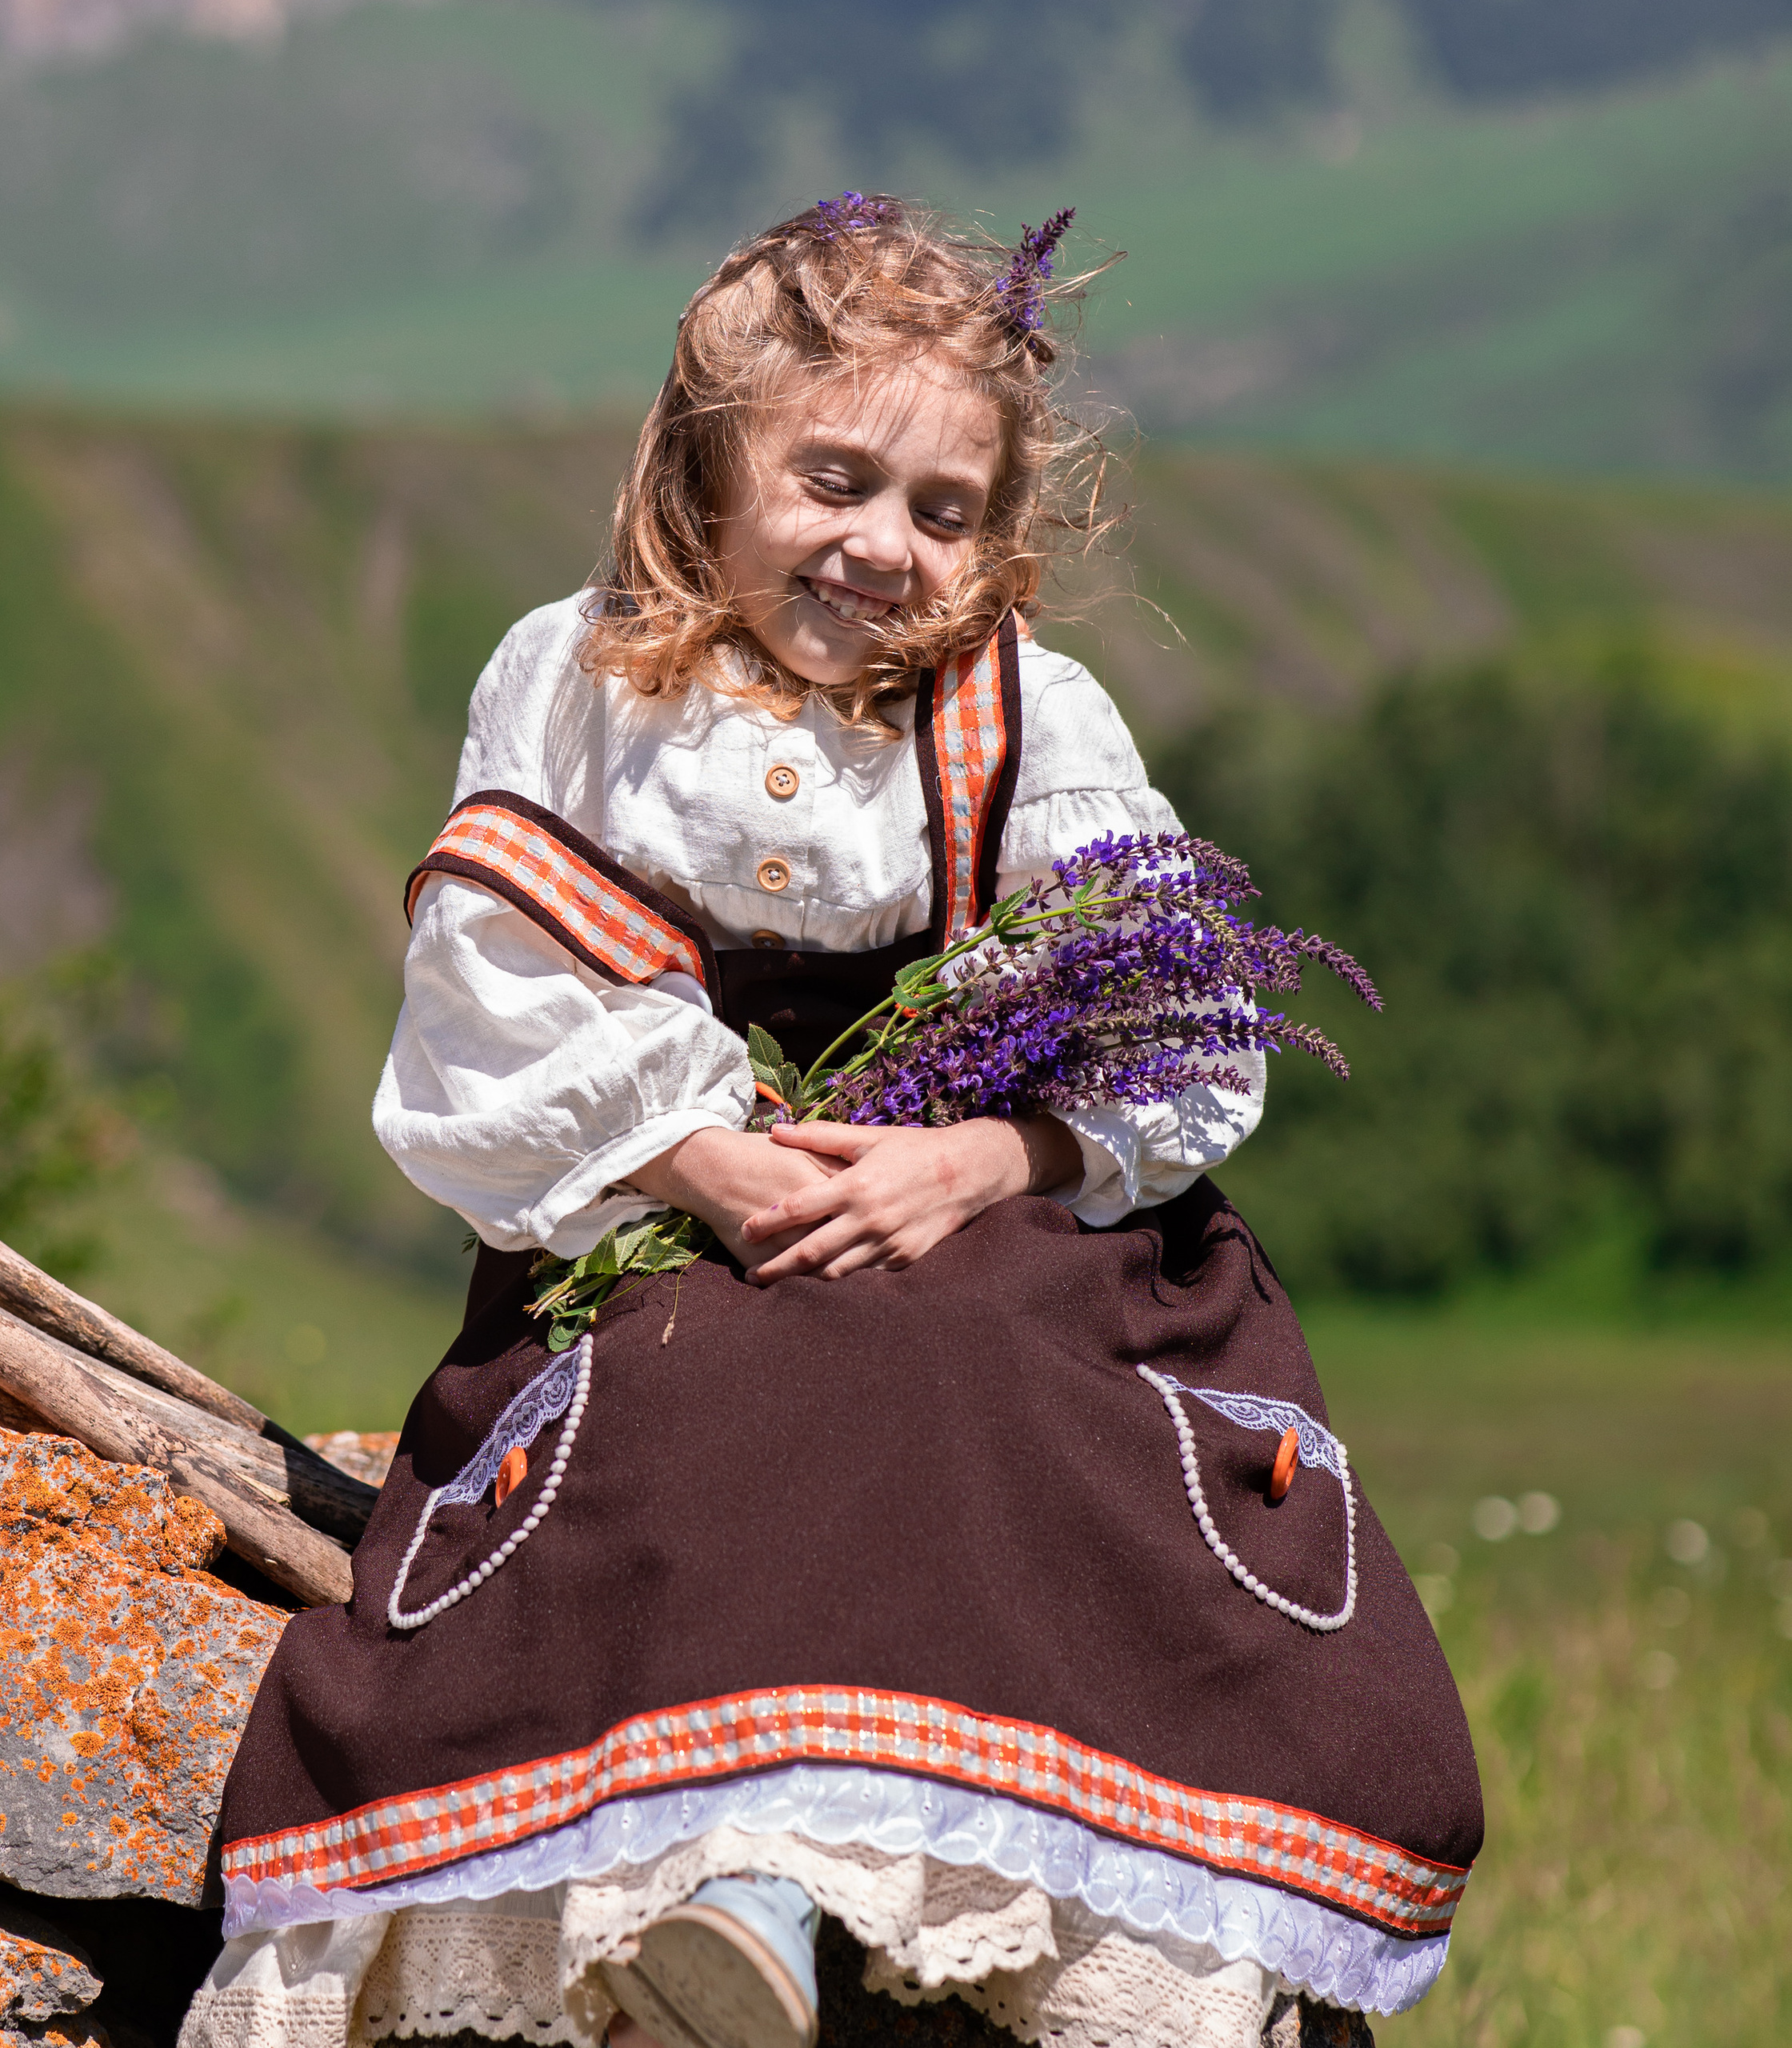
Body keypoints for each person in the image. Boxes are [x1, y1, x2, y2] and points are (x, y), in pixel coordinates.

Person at [182, 198, 1481, 2048]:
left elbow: (1175, 1019)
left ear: (997, 539)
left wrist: (985, 1155)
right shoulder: (576, 678)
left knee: (994, 1387)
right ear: (708, 470)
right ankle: (745, 1902)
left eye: (940, 511)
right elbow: (495, 981)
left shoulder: (1027, 712)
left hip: (985, 1198)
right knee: (708, 1387)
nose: (881, 545)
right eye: (833, 479)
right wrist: (696, 1153)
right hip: (665, 1188)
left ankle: (1095, 1947)